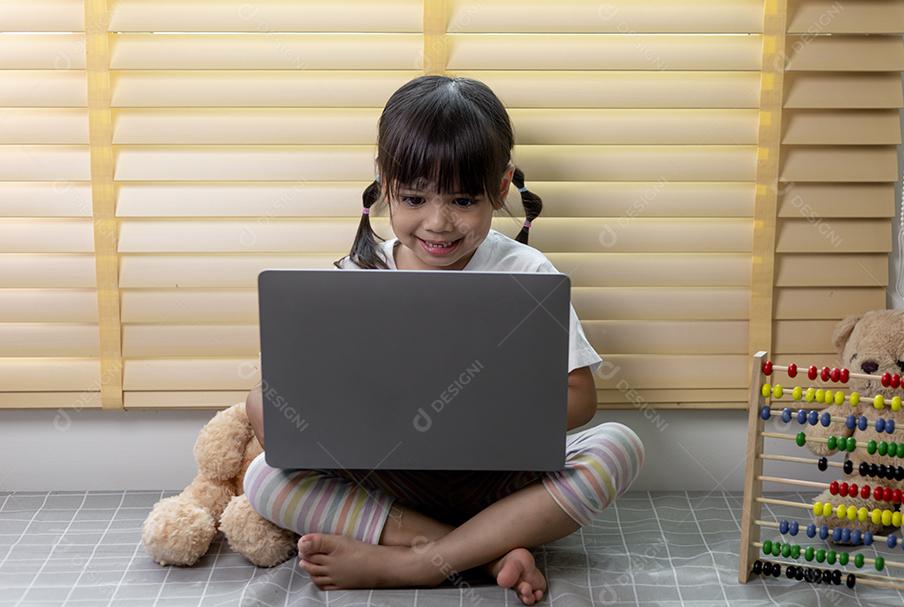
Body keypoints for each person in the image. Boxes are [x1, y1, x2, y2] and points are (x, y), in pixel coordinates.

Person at [242, 75, 645, 605]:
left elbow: (581, 399)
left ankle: (418, 564)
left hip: (502, 483)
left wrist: (482, 413)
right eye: (414, 198)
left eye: (462, 199)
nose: (438, 223)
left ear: (500, 189)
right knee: (262, 465)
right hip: (392, 486)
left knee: (620, 446)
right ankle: (478, 550)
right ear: (384, 183)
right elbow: (315, 399)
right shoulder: (356, 274)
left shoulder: (528, 272)